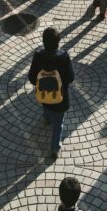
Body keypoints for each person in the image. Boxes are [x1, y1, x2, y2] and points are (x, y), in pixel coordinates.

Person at [28, 28, 75, 161]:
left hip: (44, 95)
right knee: (58, 124)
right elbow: (71, 77)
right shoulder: (64, 56)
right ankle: (54, 149)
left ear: (43, 41)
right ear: (58, 42)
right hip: (60, 98)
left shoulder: (38, 55)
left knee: (47, 106)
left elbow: (32, 78)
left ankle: (47, 118)